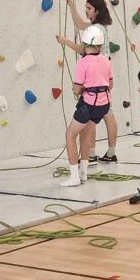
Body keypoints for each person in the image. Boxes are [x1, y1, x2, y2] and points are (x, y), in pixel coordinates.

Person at [57, 0, 118, 162]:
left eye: (89, 8)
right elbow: (78, 23)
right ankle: (104, 152)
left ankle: (92, 154)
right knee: (106, 113)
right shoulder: (100, 27)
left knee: (95, 116)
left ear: (97, 11)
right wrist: (70, 5)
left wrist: (65, 42)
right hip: (103, 72)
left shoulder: (95, 29)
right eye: (86, 7)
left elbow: (83, 50)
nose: (86, 11)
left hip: (96, 73)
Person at [58, 25, 113, 188]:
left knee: (70, 135)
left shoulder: (83, 62)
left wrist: (82, 89)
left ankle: (74, 177)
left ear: (84, 43)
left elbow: (76, 88)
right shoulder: (105, 60)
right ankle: (83, 173)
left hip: (89, 104)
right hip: (103, 105)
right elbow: (110, 84)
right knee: (87, 133)